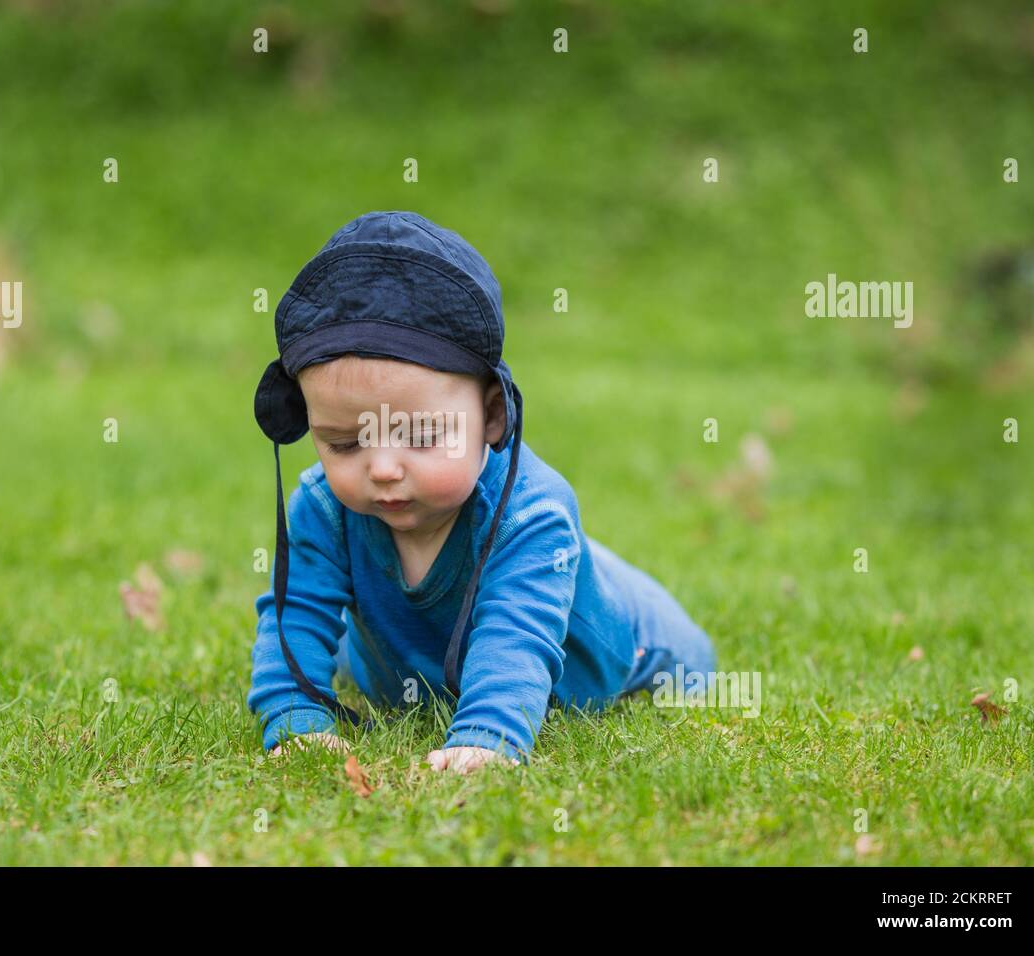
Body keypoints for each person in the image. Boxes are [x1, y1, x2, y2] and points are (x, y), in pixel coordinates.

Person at [248, 210, 715, 774]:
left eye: (420, 436)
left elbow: (515, 634)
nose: (384, 468)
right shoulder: (325, 508)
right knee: (353, 642)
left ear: (492, 415)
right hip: (405, 663)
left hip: (611, 647)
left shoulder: (531, 513)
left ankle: (590, 577)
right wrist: (296, 718)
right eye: (346, 443)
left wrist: (487, 734)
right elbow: (295, 612)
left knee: (688, 662)